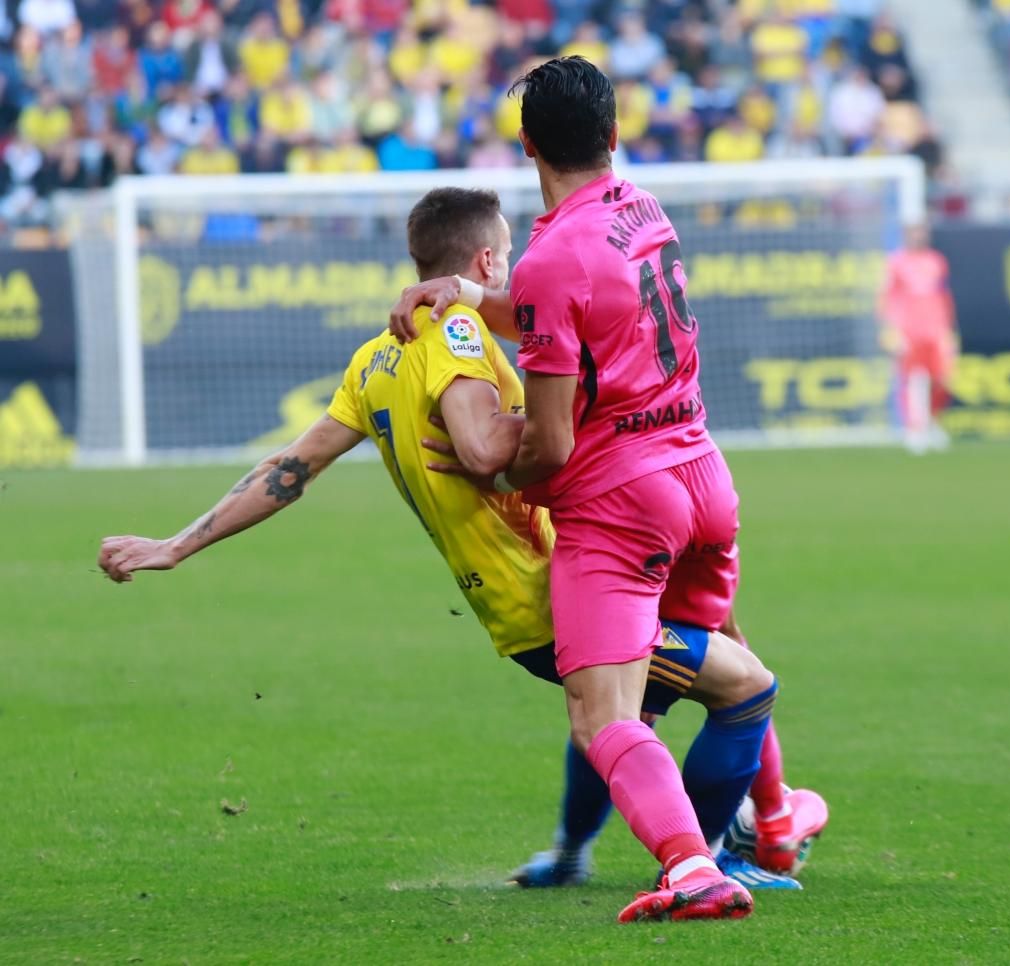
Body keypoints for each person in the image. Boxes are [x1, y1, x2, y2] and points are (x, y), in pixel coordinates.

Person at [96, 187, 818, 897]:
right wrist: (532, 437)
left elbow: (291, 468)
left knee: (616, 713)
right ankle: (716, 857)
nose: (510, 265)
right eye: (505, 251)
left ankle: (577, 854)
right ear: (484, 260)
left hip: (516, 607)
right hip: (559, 588)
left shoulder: (371, 362)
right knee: (745, 690)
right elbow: (479, 449)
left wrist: (176, 544)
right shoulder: (458, 336)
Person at [385, 57, 802, 923]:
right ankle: (763, 830)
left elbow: (547, 445)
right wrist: (471, 291)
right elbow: (570, 305)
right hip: (702, 480)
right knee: (732, 678)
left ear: (528, 144)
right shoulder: (645, 210)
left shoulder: (546, 259)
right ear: (612, 135)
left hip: (622, 504)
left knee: (602, 714)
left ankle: (691, 866)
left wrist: (484, 469)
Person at [879, 223, 957, 454]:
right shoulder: (896, 263)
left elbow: (944, 295)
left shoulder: (937, 261)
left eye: (922, 231)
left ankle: (932, 422)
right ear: (905, 235)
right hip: (909, 331)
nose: (919, 236)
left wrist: (948, 327)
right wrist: (890, 329)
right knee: (913, 380)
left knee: (943, 379)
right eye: (914, 232)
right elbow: (886, 297)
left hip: (937, 330)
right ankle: (914, 429)